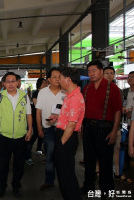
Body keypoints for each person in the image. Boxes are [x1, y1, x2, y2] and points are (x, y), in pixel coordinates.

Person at [0, 72, 32, 198]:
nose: (11, 84)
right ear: (4, 84)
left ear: (17, 82)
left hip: (20, 136)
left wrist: (30, 129)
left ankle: (16, 186)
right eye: (8, 81)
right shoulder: (0, 96)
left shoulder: (24, 96)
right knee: (2, 165)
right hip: (5, 136)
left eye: (13, 81)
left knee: (19, 165)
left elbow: (28, 114)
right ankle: (1, 187)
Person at [81, 60, 122, 199]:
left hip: (105, 129)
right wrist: (82, 128)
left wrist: (114, 131)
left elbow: (117, 111)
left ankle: (107, 190)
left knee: (105, 161)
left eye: (94, 71)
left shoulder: (112, 88)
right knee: (89, 159)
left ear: (101, 71)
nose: (91, 74)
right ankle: (88, 186)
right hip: (88, 128)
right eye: (89, 71)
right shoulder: (86, 88)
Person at [50, 67, 84, 200]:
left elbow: (71, 125)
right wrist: (57, 118)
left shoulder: (75, 98)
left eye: (60, 78)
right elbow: (69, 118)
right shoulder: (70, 96)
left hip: (66, 138)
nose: (59, 80)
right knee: (64, 175)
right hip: (64, 135)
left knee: (67, 176)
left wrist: (61, 144)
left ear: (68, 80)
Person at [36, 68, 65, 191]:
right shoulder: (42, 92)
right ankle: (49, 181)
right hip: (48, 129)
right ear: (49, 79)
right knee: (49, 156)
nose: (58, 79)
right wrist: (39, 129)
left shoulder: (66, 92)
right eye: (54, 77)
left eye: (59, 76)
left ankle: (64, 181)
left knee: (63, 157)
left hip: (63, 129)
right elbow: (38, 111)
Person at [103, 66, 122, 179]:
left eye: (111, 73)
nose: (109, 75)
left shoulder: (117, 90)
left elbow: (118, 111)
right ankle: (98, 170)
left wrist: (115, 129)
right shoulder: (99, 89)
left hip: (115, 126)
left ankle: (116, 172)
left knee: (116, 149)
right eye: (107, 73)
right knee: (100, 151)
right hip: (102, 126)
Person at [25, 78, 48, 166]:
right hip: (36, 117)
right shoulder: (36, 93)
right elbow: (37, 105)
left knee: (42, 135)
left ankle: (39, 149)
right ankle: (27, 154)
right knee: (34, 135)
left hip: (44, 118)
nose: (46, 84)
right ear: (41, 83)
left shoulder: (45, 92)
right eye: (44, 82)